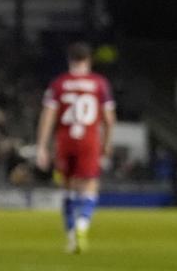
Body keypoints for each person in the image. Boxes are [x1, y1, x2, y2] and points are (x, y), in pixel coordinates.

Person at [35, 42, 116, 253]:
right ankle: (82, 224)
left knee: (67, 188)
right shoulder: (99, 83)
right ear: (89, 60)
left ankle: (71, 236)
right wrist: (107, 143)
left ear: (69, 60)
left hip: (65, 139)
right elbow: (109, 119)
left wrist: (42, 146)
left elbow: (48, 116)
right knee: (90, 186)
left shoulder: (59, 84)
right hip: (89, 140)